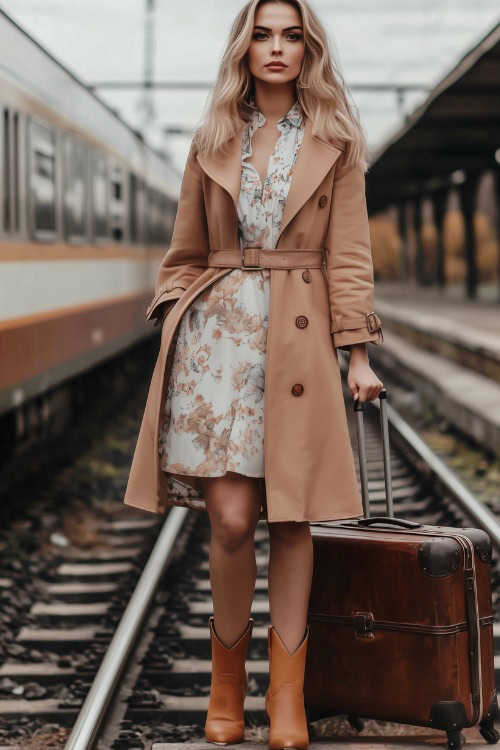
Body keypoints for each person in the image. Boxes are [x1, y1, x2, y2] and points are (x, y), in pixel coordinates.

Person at [124, 1, 384, 747]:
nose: (276, 48)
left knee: (293, 518)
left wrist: (358, 353)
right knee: (233, 520)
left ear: (310, 49)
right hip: (218, 346)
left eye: (292, 35)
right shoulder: (212, 139)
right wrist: (177, 315)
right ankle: (226, 689)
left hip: (298, 342)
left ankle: (288, 700)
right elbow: (182, 252)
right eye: (263, 35)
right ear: (244, 48)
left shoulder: (337, 142)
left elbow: (351, 255)